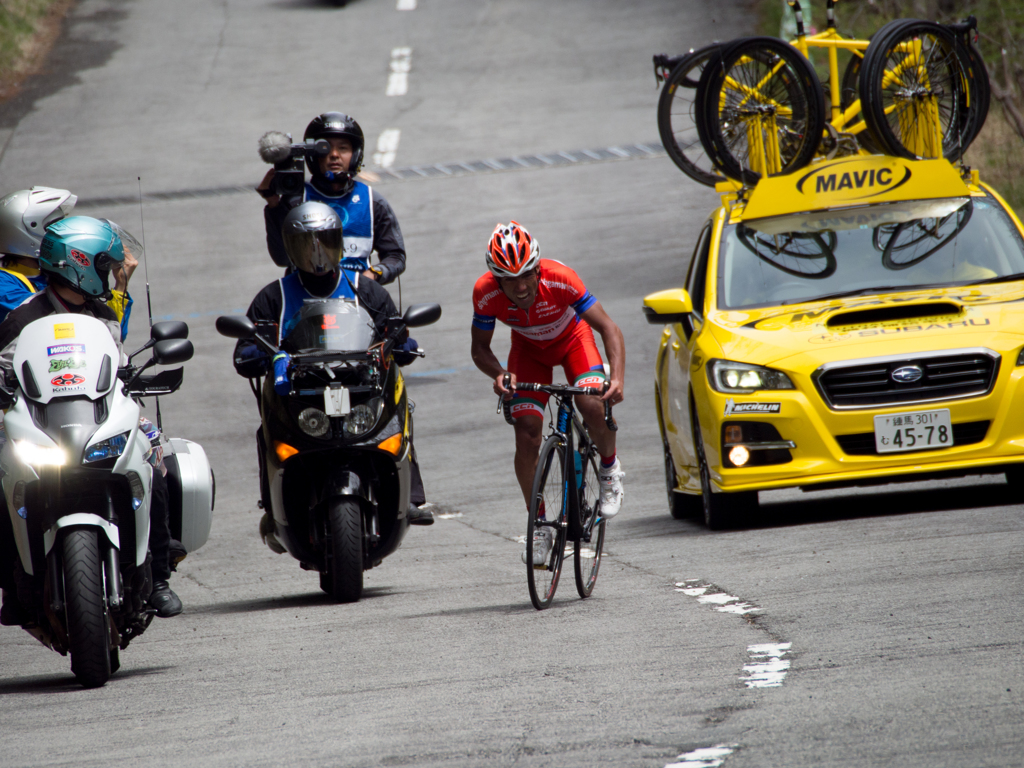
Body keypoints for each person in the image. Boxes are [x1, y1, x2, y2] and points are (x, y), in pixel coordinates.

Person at [0, 216, 182, 625]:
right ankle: (13, 588)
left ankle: (157, 576)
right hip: (41, 424)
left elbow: (115, 362)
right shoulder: (21, 318)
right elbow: (4, 368)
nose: (112, 273)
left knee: (157, 459)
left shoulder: (103, 312)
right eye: (105, 265)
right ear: (79, 264)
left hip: (98, 419)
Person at [234, 201, 433, 525]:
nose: (317, 252)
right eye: (306, 244)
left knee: (399, 403)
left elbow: (395, 331)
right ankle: (274, 507)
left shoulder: (365, 289)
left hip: (359, 389)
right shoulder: (274, 297)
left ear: (339, 242)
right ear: (291, 249)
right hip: (299, 396)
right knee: (267, 425)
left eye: (325, 241)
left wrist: (402, 343)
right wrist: (257, 352)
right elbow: (245, 350)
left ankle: (408, 494)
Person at [470, 221, 626, 565]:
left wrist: (616, 378)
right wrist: (499, 374)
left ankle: (610, 469)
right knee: (526, 433)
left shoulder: (561, 279)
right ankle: (539, 523)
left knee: (591, 403)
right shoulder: (485, 293)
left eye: (527, 275)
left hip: (573, 342)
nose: (521, 286)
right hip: (527, 352)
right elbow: (479, 349)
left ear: (538, 268)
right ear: (497, 280)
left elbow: (608, 328)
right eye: (510, 280)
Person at [258, 112, 407, 285]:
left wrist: (374, 274)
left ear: (355, 154)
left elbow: (395, 256)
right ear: (314, 156)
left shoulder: (372, 202)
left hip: (358, 298)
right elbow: (282, 258)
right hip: (306, 299)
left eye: (343, 148)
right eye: (326, 148)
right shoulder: (297, 201)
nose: (334, 154)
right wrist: (274, 204)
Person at [0, 186, 135, 329]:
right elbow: (70, 328)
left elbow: (106, 338)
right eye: (54, 227)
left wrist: (121, 285)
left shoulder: (56, 273)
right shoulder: (5, 288)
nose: (63, 231)